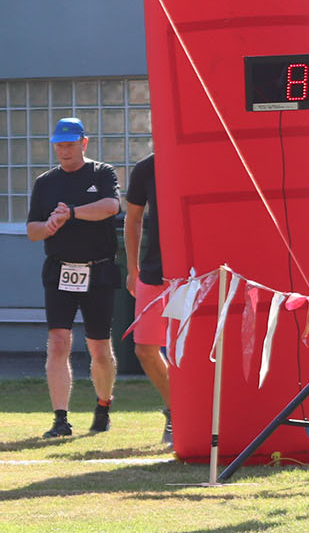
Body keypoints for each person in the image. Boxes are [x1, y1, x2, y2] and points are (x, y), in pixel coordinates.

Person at [26, 116, 122, 438]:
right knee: (57, 342)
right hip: (60, 271)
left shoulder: (102, 173)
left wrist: (72, 213)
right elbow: (32, 231)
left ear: (84, 143)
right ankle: (60, 419)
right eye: (59, 145)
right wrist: (49, 226)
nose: (64, 151)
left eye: (69, 145)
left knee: (98, 347)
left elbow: (111, 206)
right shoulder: (45, 183)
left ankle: (103, 404)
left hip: (98, 270)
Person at [122, 152, 172, 445]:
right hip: (154, 272)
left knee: (187, 351)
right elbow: (133, 219)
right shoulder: (145, 169)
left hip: (195, 274)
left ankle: (195, 417)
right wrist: (132, 269)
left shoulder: (200, 158)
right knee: (145, 349)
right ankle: (176, 410)